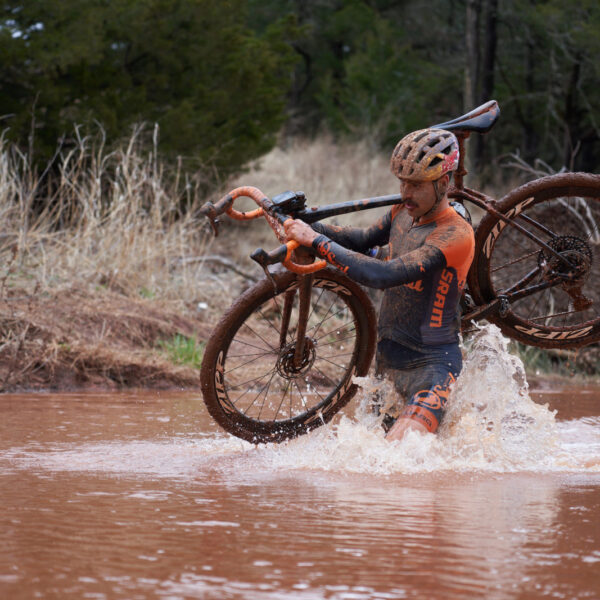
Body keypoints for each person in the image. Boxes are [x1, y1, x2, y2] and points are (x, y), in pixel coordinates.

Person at [283, 128, 475, 441]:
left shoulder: (455, 235)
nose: (405, 192)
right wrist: (306, 226)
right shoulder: (403, 212)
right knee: (371, 465)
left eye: (415, 184)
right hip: (387, 366)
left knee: (393, 461)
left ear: (443, 183)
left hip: (433, 370)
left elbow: (382, 275)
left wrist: (315, 241)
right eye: (402, 182)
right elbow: (361, 240)